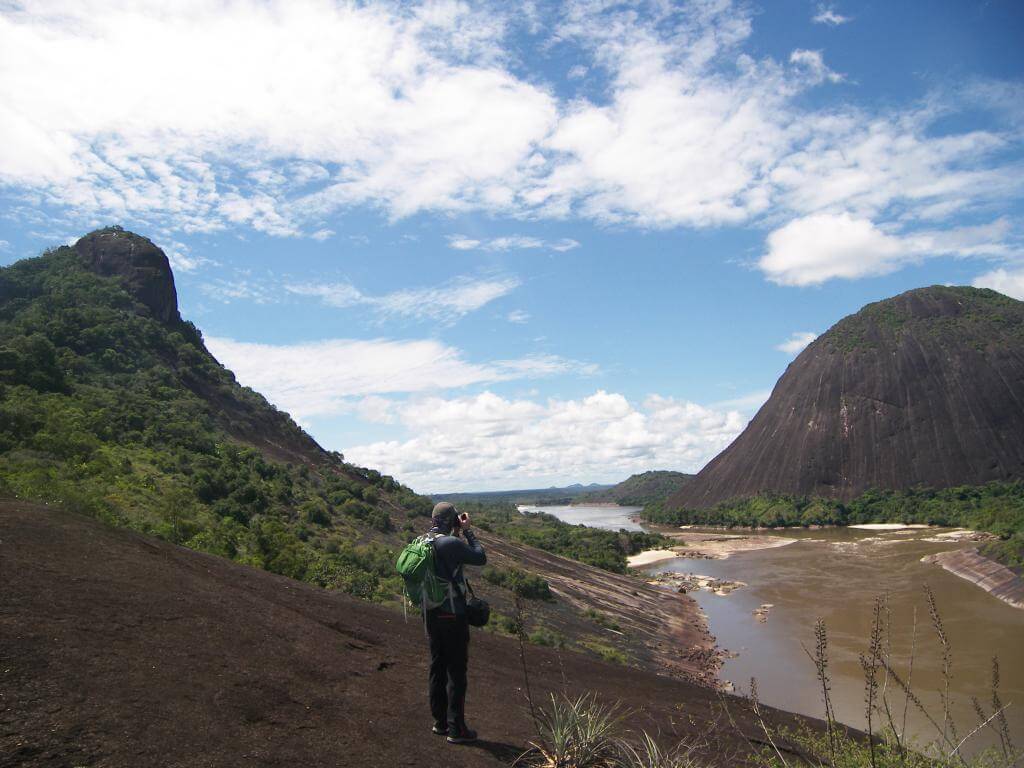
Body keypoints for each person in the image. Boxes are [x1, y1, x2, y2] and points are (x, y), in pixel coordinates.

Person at [424, 501, 486, 744]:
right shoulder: (450, 543)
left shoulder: (423, 541)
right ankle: (456, 729)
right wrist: (468, 531)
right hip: (452, 615)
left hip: (431, 613)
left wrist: (456, 531)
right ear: (452, 521)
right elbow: (480, 557)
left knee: (437, 667)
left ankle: (440, 723)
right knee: (456, 673)